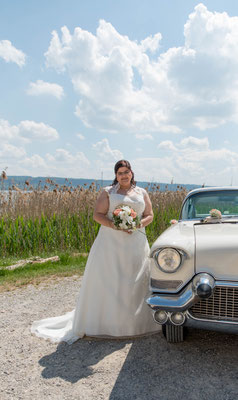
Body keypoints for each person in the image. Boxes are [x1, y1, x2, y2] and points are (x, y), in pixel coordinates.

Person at [31, 160, 161, 343]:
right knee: (111, 278)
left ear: (132, 173)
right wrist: (116, 226)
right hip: (111, 242)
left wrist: (138, 223)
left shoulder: (142, 193)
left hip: (136, 241)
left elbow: (150, 214)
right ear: (116, 175)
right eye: (120, 173)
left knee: (136, 277)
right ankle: (107, 324)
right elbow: (97, 215)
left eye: (127, 171)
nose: (124, 175)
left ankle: (135, 323)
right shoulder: (108, 192)